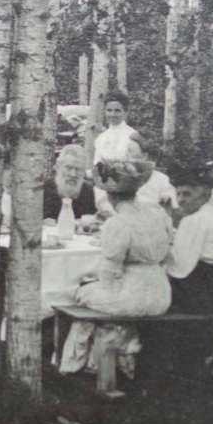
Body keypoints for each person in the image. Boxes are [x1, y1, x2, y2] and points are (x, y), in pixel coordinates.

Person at [59, 159, 173, 385]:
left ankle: (77, 362)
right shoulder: (156, 212)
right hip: (161, 292)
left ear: (109, 195)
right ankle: (108, 360)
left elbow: (110, 273)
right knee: (91, 293)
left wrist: (95, 286)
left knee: (79, 293)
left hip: (133, 295)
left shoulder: (118, 223)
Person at [166, 165, 213, 313]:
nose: (180, 200)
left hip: (203, 293)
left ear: (205, 195)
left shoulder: (194, 220)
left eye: (187, 194)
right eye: (178, 194)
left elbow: (180, 266)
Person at [45, 144, 97, 220]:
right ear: (58, 167)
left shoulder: (89, 193)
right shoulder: (43, 191)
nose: (73, 174)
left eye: (78, 169)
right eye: (69, 168)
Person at [92, 91, 138, 164]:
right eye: (109, 110)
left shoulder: (132, 135)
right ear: (104, 111)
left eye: (117, 111)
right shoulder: (101, 138)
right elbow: (97, 163)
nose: (112, 114)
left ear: (125, 112)